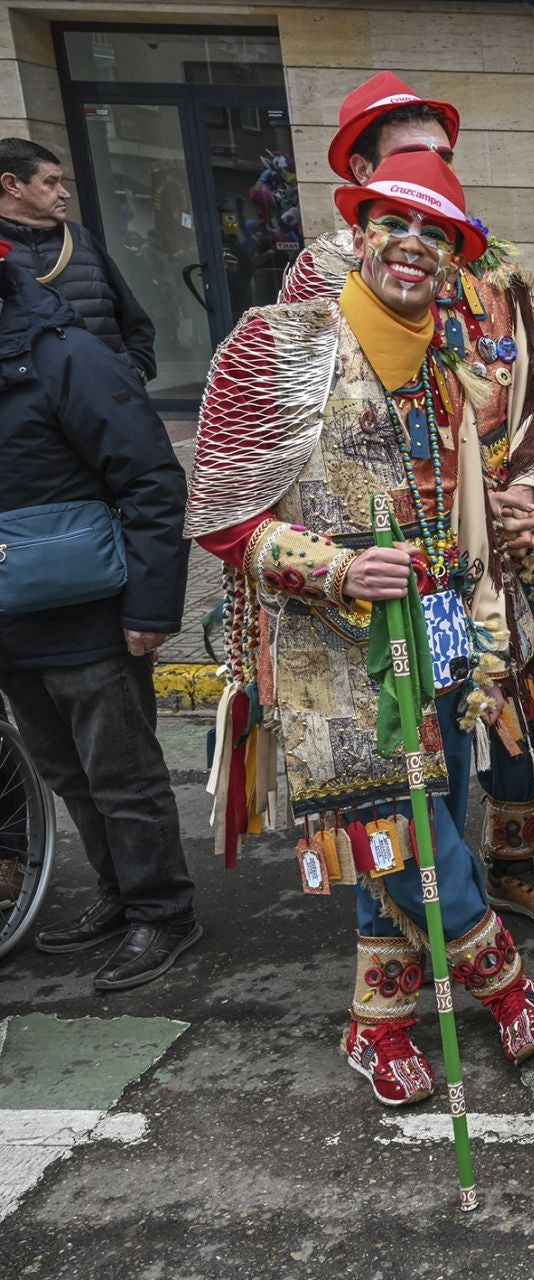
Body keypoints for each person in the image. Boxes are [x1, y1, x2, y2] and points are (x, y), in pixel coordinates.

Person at [186, 152, 534, 1106]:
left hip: (439, 631)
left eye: (439, 234)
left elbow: (459, 503)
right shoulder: (277, 344)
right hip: (331, 653)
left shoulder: (449, 364)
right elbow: (223, 517)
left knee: (402, 833)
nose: (416, 246)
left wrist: (501, 520)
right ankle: (502, 978)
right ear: (360, 230)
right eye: (397, 221)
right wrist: (335, 568)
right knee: (401, 825)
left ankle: (377, 1020)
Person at [275, 72, 534, 929]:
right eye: (411, 157)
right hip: (385, 572)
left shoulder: (489, 275)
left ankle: (510, 868)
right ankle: (433, 925)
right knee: (405, 765)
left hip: (492, 557)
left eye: (444, 159)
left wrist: (524, 489)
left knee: (514, 708)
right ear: (363, 172)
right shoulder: (320, 288)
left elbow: (532, 403)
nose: (431, 179)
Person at [0, 250, 194, 988]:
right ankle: (119, 896)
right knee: (65, 774)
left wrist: (150, 607)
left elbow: (150, 480)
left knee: (122, 775)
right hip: (11, 621)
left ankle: (163, 912)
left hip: (88, 616)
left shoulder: (67, 357)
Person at [0, 139, 156, 382]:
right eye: (51, 182)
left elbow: (133, 318)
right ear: (12, 185)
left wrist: (136, 371)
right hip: (26, 409)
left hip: (106, 394)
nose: (65, 192)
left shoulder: (80, 239)